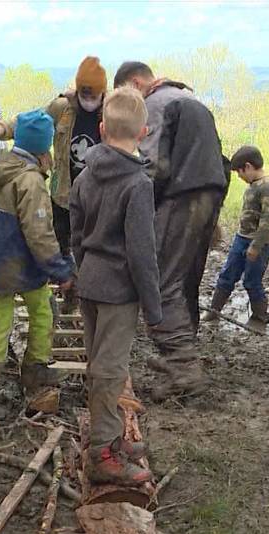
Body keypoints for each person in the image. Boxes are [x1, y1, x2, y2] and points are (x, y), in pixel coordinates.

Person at [113, 61, 229, 401]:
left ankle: (183, 367)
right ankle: (183, 353)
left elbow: (153, 166)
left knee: (160, 281)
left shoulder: (156, 104)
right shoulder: (192, 101)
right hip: (209, 193)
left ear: (136, 83)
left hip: (180, 196)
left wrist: (131, 210)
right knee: (186, 279)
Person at [70, 87, 161, 485]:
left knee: (99, 365)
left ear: (103, 128)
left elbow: (74, 232)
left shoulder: (85, 175)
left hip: (90, 281)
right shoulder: (138, 185)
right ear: (143, 132)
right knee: (110, 371)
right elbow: (143, 252)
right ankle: (103, 454)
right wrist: (154, 307)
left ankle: (108, 438)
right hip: (119, 291)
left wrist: (83, 269)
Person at [0, 110, 75, 419]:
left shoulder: (1, 168)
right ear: (43, 147)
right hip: (17, 263)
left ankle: (35, 369)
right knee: (5, 323)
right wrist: (61, 270)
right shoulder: (29, 180)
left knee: (38, 309)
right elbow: (39, 233)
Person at [0, 56, 107, 314]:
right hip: (64, 192)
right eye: (84, 93)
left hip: (96, 196)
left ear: (101, 92)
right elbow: (31, 118)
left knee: (90, 247)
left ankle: (91, 297)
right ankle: (69, 294)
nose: (88, 98)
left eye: (92, 94)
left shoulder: (110, 109)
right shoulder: (62, 107)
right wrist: (3, 127)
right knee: (60, 244)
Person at [201, 145, 269, 332]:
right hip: (241, 237)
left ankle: (259, 317)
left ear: (248, 166)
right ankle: (214, 309)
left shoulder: (268, 187)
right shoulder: (253, 185)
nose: (239, 176)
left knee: (252, 281)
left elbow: (267, 222)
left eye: (239, 172)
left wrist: (255, 246)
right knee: (227, 275)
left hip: (260, 242)